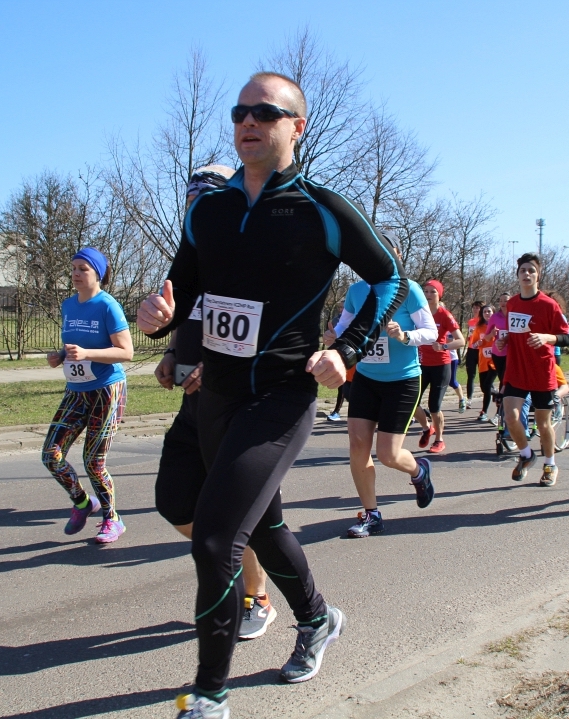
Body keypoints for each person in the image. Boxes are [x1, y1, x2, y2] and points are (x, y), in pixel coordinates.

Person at [137, 72, 407, 717]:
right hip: (217, 395)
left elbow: (391, 279)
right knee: (260, 523)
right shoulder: (208, 210)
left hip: (282, 398)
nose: (248, 122)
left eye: (264, 112)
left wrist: (347, 350)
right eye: (240, 113)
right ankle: (318, 618)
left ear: (296, 127)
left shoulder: (322, 209)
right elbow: (183, 290)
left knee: (216, 539)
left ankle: (209, 696)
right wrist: (158, 318)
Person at [153, 165, 276, 642]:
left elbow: (273, 334)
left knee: (242, 518)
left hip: (239, 409)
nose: (196, 214)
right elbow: (184, 319)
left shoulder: (251, 258)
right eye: (190, 207)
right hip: (192, 407)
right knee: (173, 501)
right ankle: (233, 563)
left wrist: (218, 367)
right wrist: (170, 353)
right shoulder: (190, 260)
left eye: (205, 204)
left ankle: (256, 596)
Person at [334, 230, 438, 538]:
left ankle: (419, 471)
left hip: (402, 380)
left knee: (389, 455)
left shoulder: (410, 289)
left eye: (387, 249)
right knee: (358, 446)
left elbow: (430, 332)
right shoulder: (356, 291)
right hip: (366, 378)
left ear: (397, 255)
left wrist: (405, 336)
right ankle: (372, 515)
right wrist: (333, 336)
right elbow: (343, 326)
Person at [43, 248, 134, 544]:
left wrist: (87, 354)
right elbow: (73, 346)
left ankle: (112, 519)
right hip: (76, 391)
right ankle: (83, 503)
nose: (76, 274)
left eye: (83, 269)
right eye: (73, 268)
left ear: (98, 274)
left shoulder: (108, 306)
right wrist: (59, 356)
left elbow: (126, 352)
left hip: (107, 390)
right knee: (50, 455)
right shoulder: (69, 305)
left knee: (93, 461)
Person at [499, 253, 569, 486]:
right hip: (517, 369)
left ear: (538, 276)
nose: (527, 274)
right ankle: (526, 455)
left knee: (543, 423)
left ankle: (550, 464)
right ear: (517, 275)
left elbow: (566, 338)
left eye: (531, 270)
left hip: (541, 371)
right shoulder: (512, 304)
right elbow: (515, 333)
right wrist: (504, 340)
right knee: (510, 417)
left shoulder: (549, 305)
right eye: (523, 270)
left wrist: (547, 337)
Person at [415, 280, 464, 453]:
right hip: (422, 364)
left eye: (432, 292)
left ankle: (439, 440)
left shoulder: (445, 315)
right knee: (411, 402)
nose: (428, 295)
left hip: (441, 366)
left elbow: (461, 340)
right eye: (426, 291)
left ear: (439, 295)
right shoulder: (419, 313)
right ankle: (427, 428)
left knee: (434, 406)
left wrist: (443, 346)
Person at [472, 304, 498, 421]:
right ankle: (496, 394)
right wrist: (477, 343)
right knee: (484, 388)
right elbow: (473, 344)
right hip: (483, 361)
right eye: (484, 312)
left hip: (495, 361)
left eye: (489, 311)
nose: (487, 313)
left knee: (487, 386)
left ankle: (484, 411)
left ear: (493, 313)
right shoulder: (479, 327)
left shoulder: (498, 325)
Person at [464, 300, 484, 407]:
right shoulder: (470, 321)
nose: (476, 310)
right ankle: (469, 399)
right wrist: (469, 338)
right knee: (470, 375)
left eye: (478, 308)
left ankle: (490, 392)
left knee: (483, 375)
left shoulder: (484, 321)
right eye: (474, 308)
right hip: (471, 350)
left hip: (481, 351)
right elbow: (471, 334)